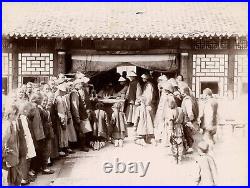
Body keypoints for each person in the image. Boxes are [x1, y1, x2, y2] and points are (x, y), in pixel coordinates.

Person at [2, 103, 27, 186]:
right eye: (11, 114)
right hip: (9, 157)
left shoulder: (13, 124)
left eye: (15, 114)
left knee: (16, 178)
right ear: (8, 114)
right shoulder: (7, 125)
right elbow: (3, 141)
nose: (13, 116)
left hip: (14, 155)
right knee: (10, 180)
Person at [70, 79, 91, 152]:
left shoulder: (77, 92)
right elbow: (75, 106)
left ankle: (84, 145)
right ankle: (82, 146)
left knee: (84, 130)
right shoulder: (74, 93)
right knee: (81, 131)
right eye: (79, 84)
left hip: (82, 114)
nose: (81, 85)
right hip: (79, 115)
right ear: (75, 85)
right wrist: (77, 117)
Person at [180, 86, 200, 153]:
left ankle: (190, 148)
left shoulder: (187, 100)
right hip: (186, 119)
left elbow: (189, 111)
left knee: (188, 134)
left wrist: (190, 120)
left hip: (187, 119)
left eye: (182, 91)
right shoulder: (186, 99)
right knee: (187, 133)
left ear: (185, 92)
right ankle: (189, 147)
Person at [166, 97, 185, 164]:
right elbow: (184, 120)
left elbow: (170, 123)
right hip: (180, 128)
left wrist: (170, 131)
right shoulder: (181, 110)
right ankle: (180, 159)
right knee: (180, 144)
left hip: (174, 129)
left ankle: (175, 159)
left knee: (173, 144)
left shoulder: (171, 112)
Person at [54, 84, 69, 156]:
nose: (64, 92)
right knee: (61, 134)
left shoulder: (62, 98)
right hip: (61, 117)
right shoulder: (58, 99)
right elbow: (59, 111)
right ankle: (61, 149)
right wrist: (62, 119)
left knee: (64, 133)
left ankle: (64, 147)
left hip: (63, 116)